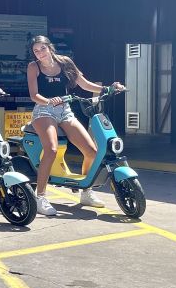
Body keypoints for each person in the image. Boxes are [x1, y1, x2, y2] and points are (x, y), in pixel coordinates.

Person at [27, 35, 124, 216]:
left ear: (50, 47)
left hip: (65, 110)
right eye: (35, 50)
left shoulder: (65, 63)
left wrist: (108, 88)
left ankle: (86, 192)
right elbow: (34, 95)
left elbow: (85, 84)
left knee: (92, 152)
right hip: (43, 111)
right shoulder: (34, 67)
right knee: (51, 150)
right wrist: (48, 101)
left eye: (42, 48)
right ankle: (40, 197)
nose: (39, 53)